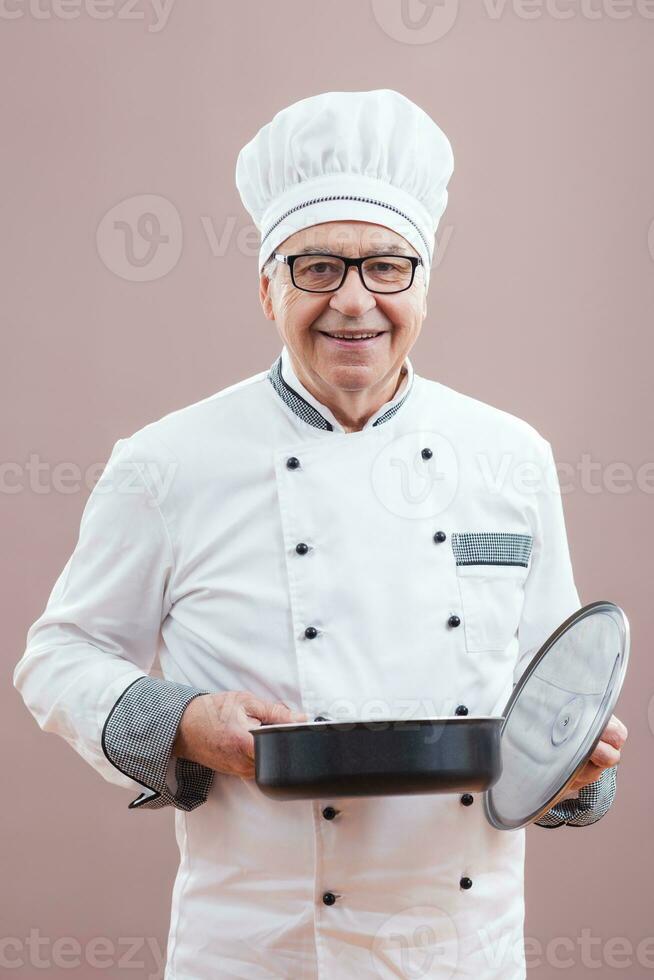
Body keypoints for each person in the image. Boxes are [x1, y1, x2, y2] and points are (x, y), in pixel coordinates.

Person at [14, 89, 627, 979]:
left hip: (466, 949)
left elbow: (559, 694)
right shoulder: (166, 462)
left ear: (423, 284)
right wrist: (183, 720)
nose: (354, 302)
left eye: (386, 267)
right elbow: (57, 656)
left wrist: (578, 776)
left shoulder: (511, 456)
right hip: (262, 952)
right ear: (266, 285)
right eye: (317, 268)